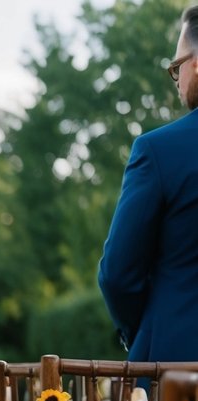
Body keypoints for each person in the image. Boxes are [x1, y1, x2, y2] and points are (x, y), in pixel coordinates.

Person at [98, 6, 198, 361]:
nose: (177, 80)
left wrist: (145, 329)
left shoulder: (158, 151)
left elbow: (118, 274)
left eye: (176, 67)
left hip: (177, 368)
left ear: (196, 63)